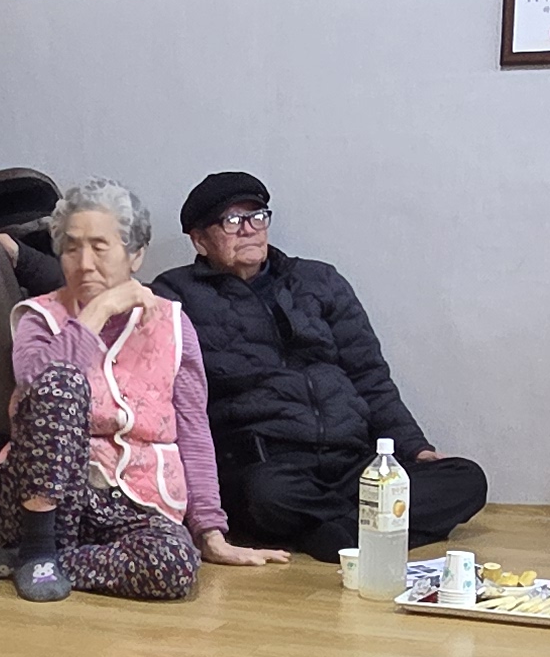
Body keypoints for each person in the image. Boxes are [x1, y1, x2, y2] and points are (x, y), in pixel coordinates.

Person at [150, 170, 486, 558]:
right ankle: (370, 530)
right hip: (268, 465)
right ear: (200, 240)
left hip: (352, 460)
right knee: (266, 497)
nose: (249, 230)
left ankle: (337, 534)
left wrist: (414, 447)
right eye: (231, 221)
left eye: (257, 216)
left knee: (466, 479)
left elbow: (369, 374)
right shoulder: (175, 294)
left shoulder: (318, 280)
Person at [0, 180, 287, 602]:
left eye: (100, 246)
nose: (85, 262)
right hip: (36, 498)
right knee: (60, 383)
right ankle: (36, 546)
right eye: (72, 248)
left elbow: (193, 428)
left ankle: (34, 561)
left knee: (176, 565)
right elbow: (38, 386)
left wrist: (210, 531)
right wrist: (96, 312)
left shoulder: (172, 324)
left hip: (133, 504)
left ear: (136, 255)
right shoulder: (38, 317)